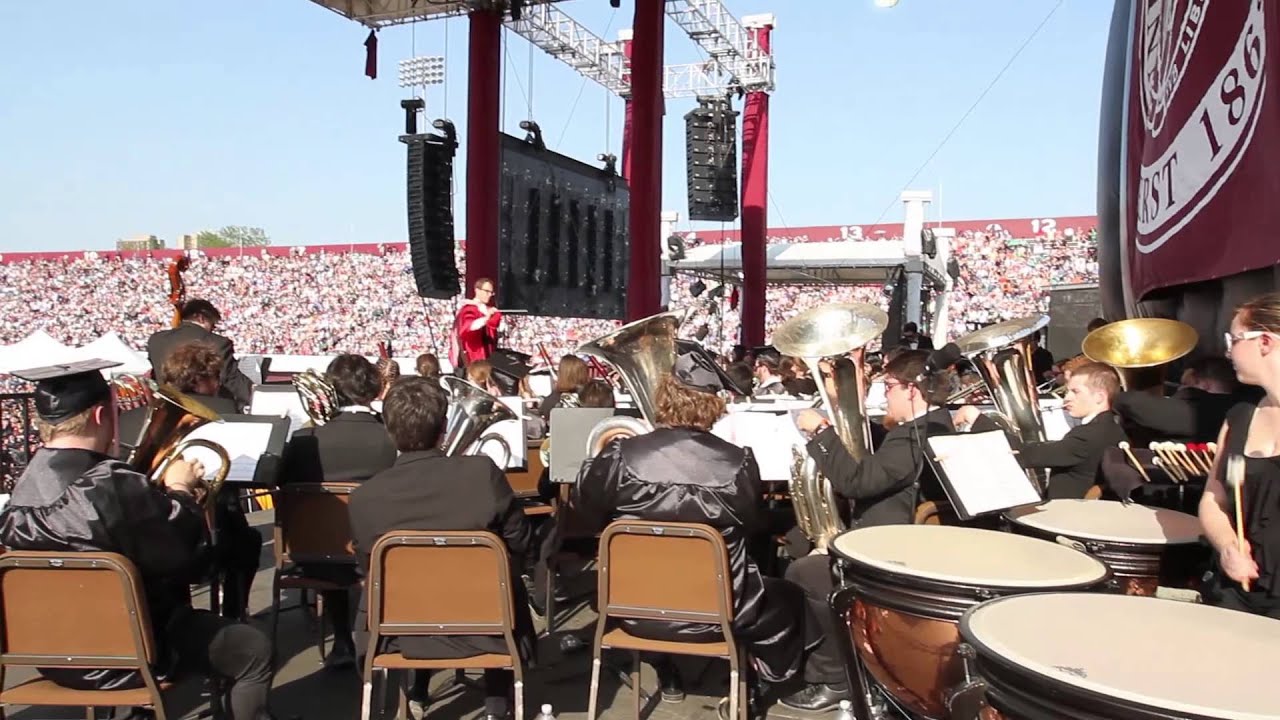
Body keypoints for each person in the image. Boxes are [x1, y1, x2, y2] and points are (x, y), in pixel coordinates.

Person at [0, 360, 276, 720]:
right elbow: (191, 565)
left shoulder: (23, 487)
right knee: (254, 649)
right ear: (101, 415)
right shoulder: (112, 486)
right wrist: (180, 491)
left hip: (45, 653)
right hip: (133, 652)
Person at [575, 350, 813, 718]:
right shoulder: (739, 462)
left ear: (664, 396)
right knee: (791, 596)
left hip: (630, 609)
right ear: (714, 405)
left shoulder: (620, 456)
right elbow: (753, 527)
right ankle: (755, 683)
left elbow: (585, 513)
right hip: (719, 611)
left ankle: (665, 667)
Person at [348, 376, 534, 720]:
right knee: (500, 577)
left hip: (399, 636)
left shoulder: (363, 498)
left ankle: (414, 694)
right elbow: (521, 541)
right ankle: (498, 703)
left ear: (389, 431)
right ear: (445, 426)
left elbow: (367, 571)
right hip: (490, 631)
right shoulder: (483, 473)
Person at [783, 350, 955, 710]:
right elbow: (881, 456)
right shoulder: (929, 426)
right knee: (800, 543)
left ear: (913, 390)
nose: (885, 394)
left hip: (887, 553)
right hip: (895, 539)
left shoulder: (914, 438)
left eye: (889, 386)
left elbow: (857, 482)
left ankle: (837, 678)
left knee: (803, 573)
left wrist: (821, 431)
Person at [279, 354, 398, 668]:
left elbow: (285, 487)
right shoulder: (391, 436)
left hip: (313, 554)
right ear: (374, 388)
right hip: (377, 553)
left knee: (330, 532)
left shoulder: (304, 440)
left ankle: (342, 640)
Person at [1199, 293, 1280, 619]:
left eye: (1233, 339)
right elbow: (1213, 498)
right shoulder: (1239, 416)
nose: (1227, 350)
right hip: (1236, 596)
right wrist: (1228, 546)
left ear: (1264, 342)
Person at [958, 361, 1127, 499]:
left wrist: (975, 418)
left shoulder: (1087, 436)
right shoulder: (1114, 430)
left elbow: (1022, 454)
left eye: (1075, 392)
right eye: (1068, 391)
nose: (1067, 398)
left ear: (1099, 397)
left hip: (1065, 520)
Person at [147, 298, 254, 409]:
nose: (212, 330)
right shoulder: (218, 343)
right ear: (201, 318)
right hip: (208, 410)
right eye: (212, 325)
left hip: (166, 408)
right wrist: (257, 396)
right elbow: (232, 380)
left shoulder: (156, 340)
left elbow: (155, 377)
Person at [450, 277, 503, 371]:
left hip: (489, 356)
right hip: (474, 357)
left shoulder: (487, 309)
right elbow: (468, 327)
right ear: (477, 291)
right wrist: (486, 318)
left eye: (491, 292)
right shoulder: (469, 309)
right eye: (487, 291)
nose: (489, 295)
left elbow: (493, 325)